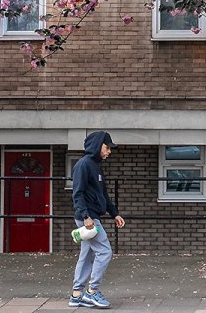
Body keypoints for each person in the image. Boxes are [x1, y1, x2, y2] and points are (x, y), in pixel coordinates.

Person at [70, 130, 124, 309]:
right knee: (105, 252)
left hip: (91, 217)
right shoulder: (84, 165)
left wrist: (114, 213)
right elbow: (77, 193)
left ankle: (77, 295)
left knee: (87, 255)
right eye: (107, 147)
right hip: (89, 219)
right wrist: (86, 216)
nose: (109, 151)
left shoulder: (95, 166)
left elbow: (104, 196)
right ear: (97, 146)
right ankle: (92, 291)